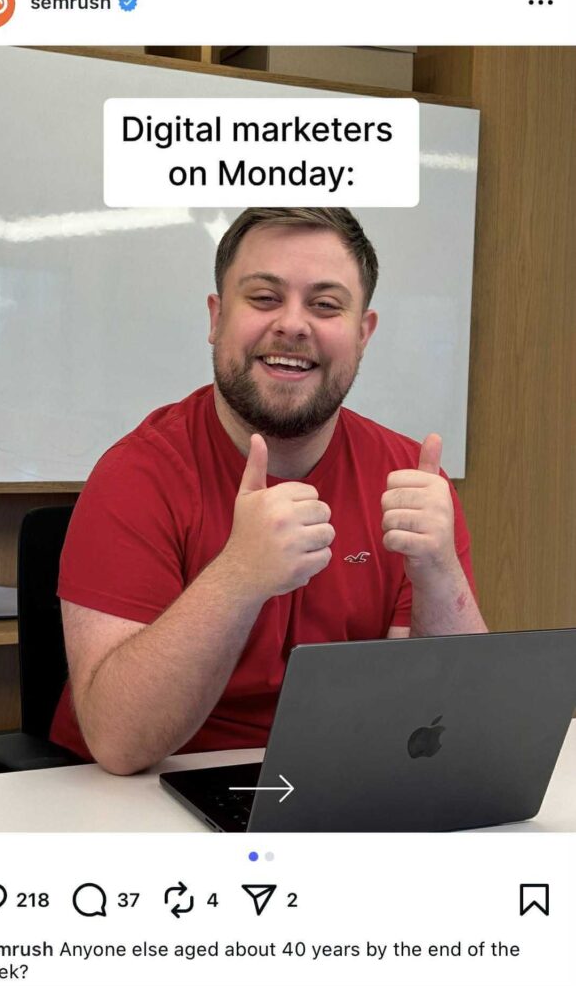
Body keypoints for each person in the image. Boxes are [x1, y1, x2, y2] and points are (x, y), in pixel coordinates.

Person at [50, 207, 487, 775]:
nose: (293, 325)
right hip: (150, 795)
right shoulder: (137, 474)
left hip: (338, 781)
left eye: (326, 305)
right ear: (216, 317)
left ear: (363, 333)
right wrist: (240, 576)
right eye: (263, 298)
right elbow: (119, 742)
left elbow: (454, 725)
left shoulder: (409, 478)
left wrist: (438, 572)